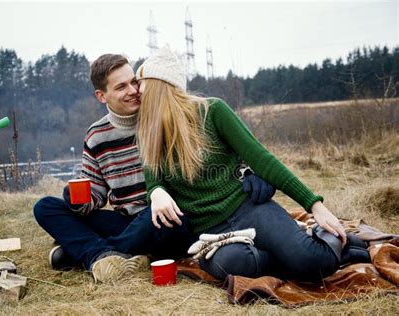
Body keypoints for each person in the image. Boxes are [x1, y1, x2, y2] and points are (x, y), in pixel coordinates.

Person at [33, 53, 276, 282]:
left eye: (134, 82)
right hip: (126, 222)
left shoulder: (164, 117)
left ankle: (86, 252)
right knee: (45, 207)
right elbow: (95, 193)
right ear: (101, 96)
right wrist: (78, 201)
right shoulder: (96, 135)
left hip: (171, 219)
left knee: (157, 217)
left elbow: (221, 153)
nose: (133, 91)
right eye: (121, 87)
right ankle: (104, 255)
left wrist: (248, 172)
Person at [135, 47, 370, 282]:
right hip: (211, 232)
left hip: (250, 210)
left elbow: (262, 160)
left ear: (157, 85)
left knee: (311, 263)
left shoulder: (212, 111)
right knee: (231, 264)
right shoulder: (150, 134)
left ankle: (321, 239)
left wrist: (314, 205)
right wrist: (156, 192)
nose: (137, 90)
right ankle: (286, 253)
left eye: (140, 82)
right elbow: (154, 183)